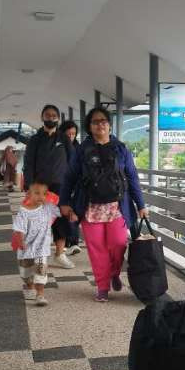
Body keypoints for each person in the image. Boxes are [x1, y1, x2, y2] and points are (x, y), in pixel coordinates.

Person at [60, 107, 148, 302]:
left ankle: (114, 272)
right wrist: (64, 202)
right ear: (89, 127)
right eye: (95, 122)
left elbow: (132, 177)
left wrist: (141, 205)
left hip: (117, 207)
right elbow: (69, 177)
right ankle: (102, 286)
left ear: (109, 125)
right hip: (90, 207)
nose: (100, 124)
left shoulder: (121, 149)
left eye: (103, 121)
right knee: (96, 248)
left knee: (118, 243)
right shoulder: (81, 150)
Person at [23, 104, 75, 269]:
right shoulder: (35, 139)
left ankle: (60, 254)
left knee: (61, 220)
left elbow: (73, 161)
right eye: (48, 115)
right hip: (41, 188)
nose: (51, 117)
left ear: (58, 118)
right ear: (42, 117)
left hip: (62, 186)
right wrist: (30, 188)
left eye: (54, 115)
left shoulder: (64, 138)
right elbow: (28, 163)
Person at [12, 177, 60, 307]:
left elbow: (60, 209)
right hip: (26, 249)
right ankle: (29, 285)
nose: (41, 196)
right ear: (28, 194)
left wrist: (71, 213)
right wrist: (21, 241)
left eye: (44, 193)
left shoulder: (48, 208)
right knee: (25, 273)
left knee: (41, 270)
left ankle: (40, 294)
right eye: (37, 193)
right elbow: (19, 229)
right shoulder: (23, 212)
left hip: (41, 249)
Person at [59, 120, 83, 256]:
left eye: (73, 134)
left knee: (72, 213)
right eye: (68, 134)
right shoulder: (57, 147)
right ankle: (68, 242)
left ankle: (73, 243)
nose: (71, 137)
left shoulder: (78, 148)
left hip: (76, 185)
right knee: (64, 214)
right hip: (61, 185)